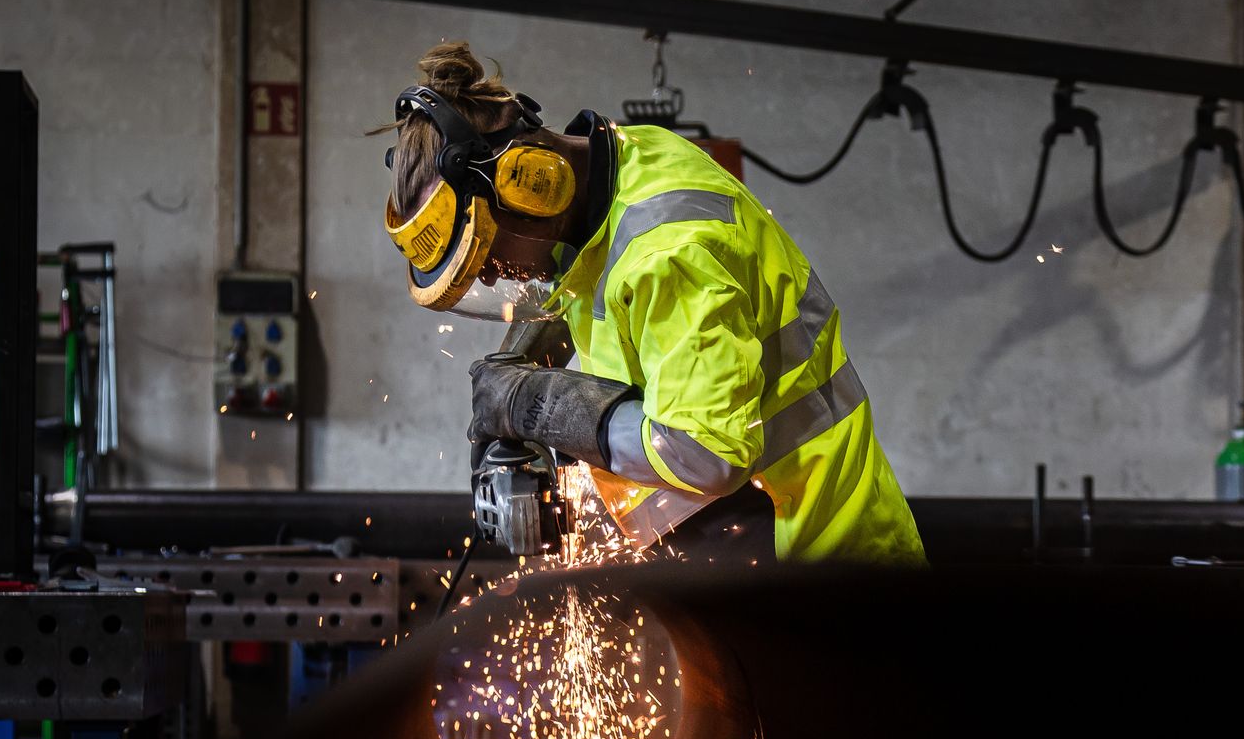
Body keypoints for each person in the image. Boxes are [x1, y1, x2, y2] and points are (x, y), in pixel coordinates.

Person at [376, 42, 924, 564]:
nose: (499, 275)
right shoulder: (627, 165)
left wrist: (538, 405)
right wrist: (516, 368)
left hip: (819, 565)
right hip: (751, 554)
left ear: (534, 183)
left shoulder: (673, 251)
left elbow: (706, 453)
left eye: (491, 256)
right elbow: (599, 283)